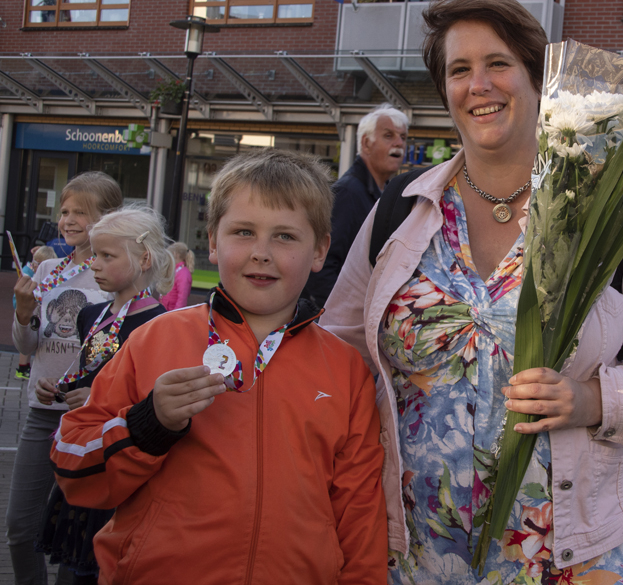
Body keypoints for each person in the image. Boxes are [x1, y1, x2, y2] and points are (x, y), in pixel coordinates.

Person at [321, 0, 623, 583]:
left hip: (575, 556)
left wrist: (594, 400)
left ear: (537, 79)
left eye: (498, 63)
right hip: (420, 552)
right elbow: (338, 350)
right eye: (459, 69)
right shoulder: (402, 209)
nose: (478, 84)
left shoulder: (604, 208)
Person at [51, 149, 387, 584]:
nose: (261, 253)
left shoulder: (345, 369)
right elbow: (73, 469)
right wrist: (146, 425)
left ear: (320, 250)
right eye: (244, 232)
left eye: (285, 236)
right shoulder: (154, 339)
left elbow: (360, 514)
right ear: (212, 242)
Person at [35, 206, 171, 584]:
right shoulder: (90, 314)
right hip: (88, 454)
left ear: (144, 259)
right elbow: (92, 368)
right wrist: (61, 388)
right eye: (94, 254)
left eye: (107, 256)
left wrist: (98, 396)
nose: (94, 264)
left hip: (119, 459)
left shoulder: (159, 324)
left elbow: (153, 400)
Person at [9, 171, 123, 585]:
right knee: (20, 527)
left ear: (107, 218)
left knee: (74, 540)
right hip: (42, 415)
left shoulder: (115, 275)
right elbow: (28, 341)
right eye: (64, 211)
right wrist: (24, 312)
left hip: (89, 423)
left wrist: (94, 389)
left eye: (81, 213)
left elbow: (127, 351)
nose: (69, 220)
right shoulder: (48, 271)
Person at [301, 103, 409, 305]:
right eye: (388, 135)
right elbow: (321, 263)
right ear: (366, 143)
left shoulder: (385, 192)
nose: (399, 143)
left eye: (403, 137)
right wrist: (340, 313)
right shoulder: (348, 192)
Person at [13, 247, 58, 380]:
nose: (36, 265)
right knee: (27, 336)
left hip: (41, 314)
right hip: (29, 311)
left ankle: (25, 366)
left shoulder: (47, 276)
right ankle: (22, 367)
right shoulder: (29, 275)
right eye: (36, 262)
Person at [159, 241, 195, 310]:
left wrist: (175, 314)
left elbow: (182, 300)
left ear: (175, 254)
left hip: (173, 313)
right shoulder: (175, 270)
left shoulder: (183, 273)